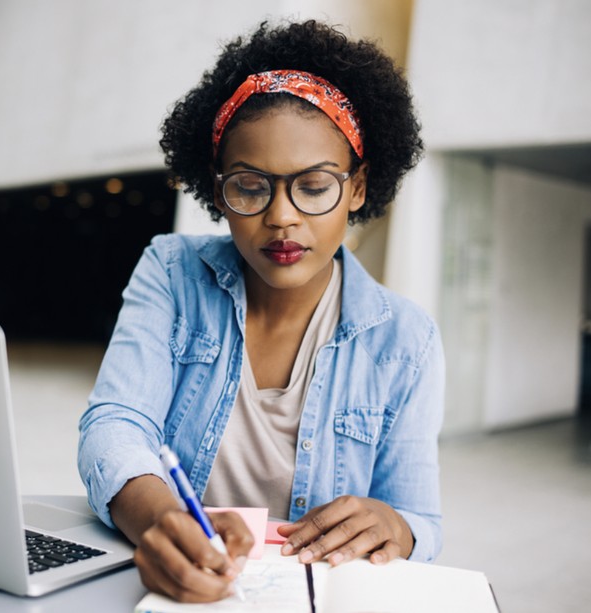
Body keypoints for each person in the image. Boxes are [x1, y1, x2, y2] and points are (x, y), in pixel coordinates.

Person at [78, 19, 443, 603]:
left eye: (315, 186)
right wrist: (162, 521)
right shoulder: (173, 272)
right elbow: (116, 424)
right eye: (250, 187)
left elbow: (422, 519)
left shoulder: (406, 339)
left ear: (357, 187)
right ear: (216, 187)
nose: (281, 217)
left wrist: (396, 526)